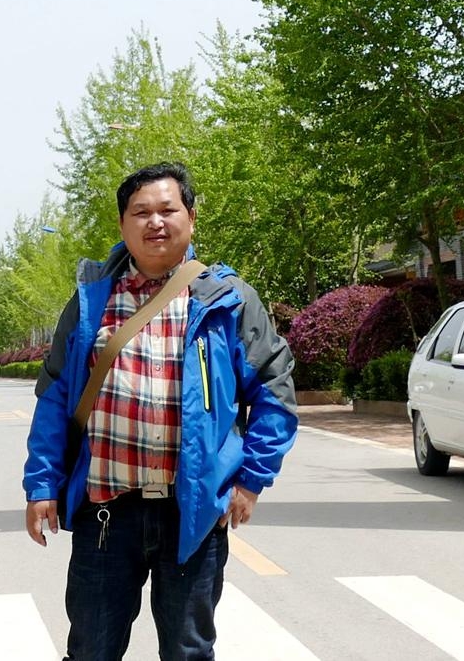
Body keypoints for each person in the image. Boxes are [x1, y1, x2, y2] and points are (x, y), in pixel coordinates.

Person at [21, 162, 297, 661]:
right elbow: (56, 398)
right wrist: (42, 486)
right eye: (141, 212)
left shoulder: (227, 300)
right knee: (91, 651)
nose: (155, 222)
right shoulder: (91, 302)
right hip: (106, 514)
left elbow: (273, 391)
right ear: (122, 224)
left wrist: (252, 479)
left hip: (192, 514)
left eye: (168, 210)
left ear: (191, 217)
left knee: (189, 652)